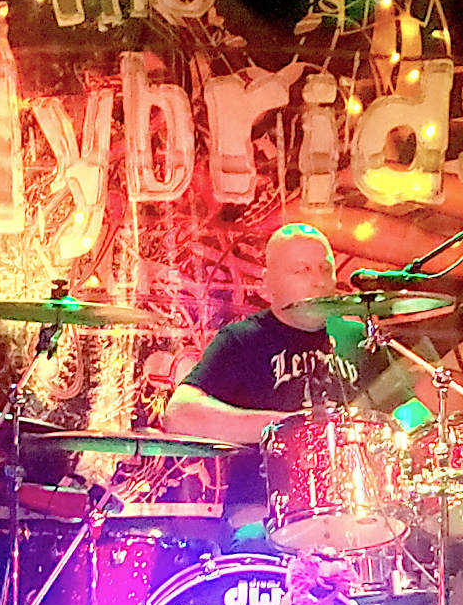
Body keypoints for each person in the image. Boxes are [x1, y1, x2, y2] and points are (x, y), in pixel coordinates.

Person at [162, 222, 428, 540]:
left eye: (325, 269)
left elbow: (414, 408)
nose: (318, 281)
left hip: (359, 511)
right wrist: (289, 429)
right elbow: (179, 415)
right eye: (302, 270)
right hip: (265, 517)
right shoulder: (243, 340)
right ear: (268, 283)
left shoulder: (361, 339)